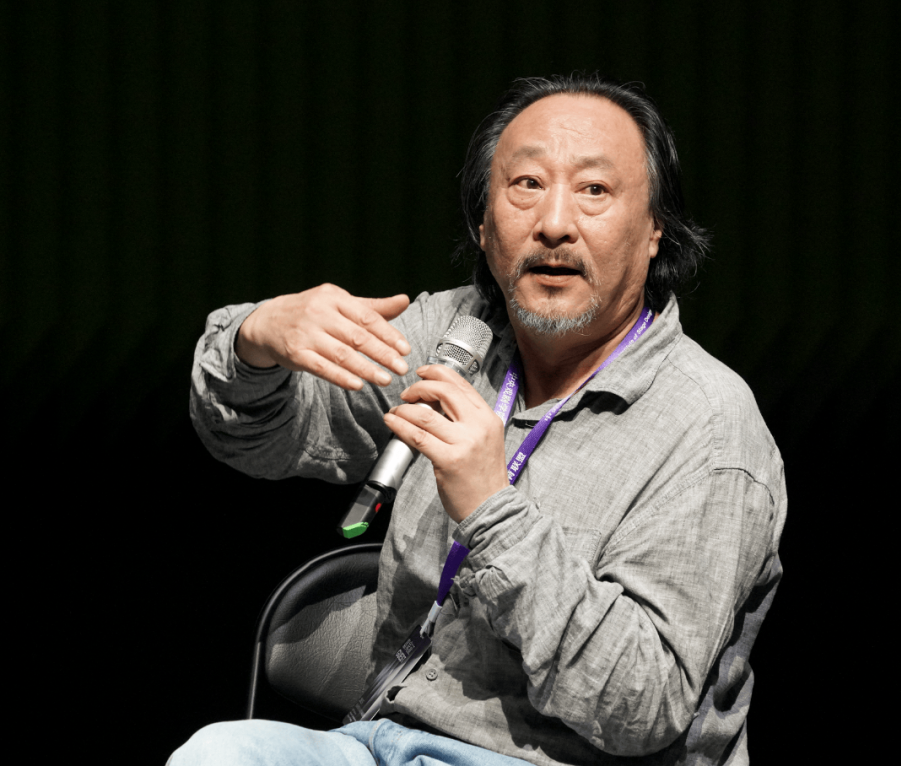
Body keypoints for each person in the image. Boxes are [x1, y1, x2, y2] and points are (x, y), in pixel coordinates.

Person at [178, 73, 786, 766]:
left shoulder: (708, 424)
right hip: (381, 739)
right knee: (221, 752)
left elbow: (643, 708)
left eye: (593, 190)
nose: (554, 223)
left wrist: (492, 513)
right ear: (483, 224)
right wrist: (255, 344)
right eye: (526, 184)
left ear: (655, 232)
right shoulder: (455, 336)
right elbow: (252, 437)